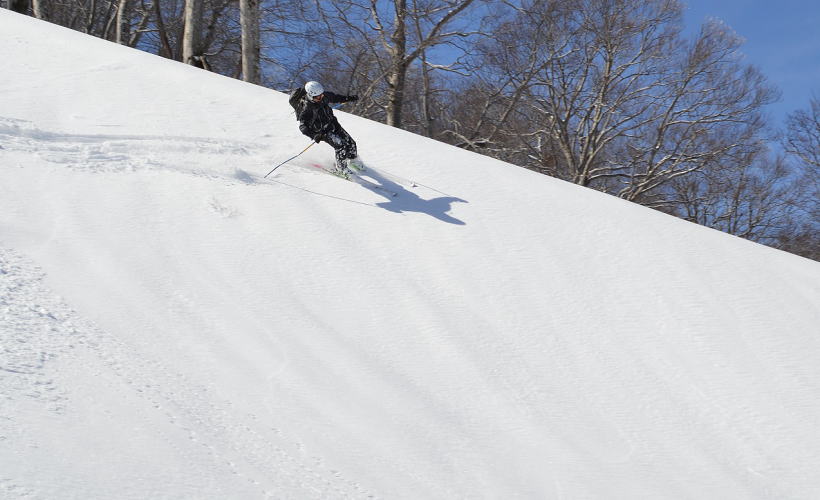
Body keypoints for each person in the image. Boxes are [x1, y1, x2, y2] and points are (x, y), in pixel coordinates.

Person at [289, 81, 361, 178]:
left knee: (351, 143)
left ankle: (353, 162)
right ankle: (341, 169)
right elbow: (303, 127)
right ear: (310, 96)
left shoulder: (323, 96)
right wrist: (315, 135)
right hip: (322, 132)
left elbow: (335, 97)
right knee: (341, 146)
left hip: (333, 124)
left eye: (321, 95)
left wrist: (349, 98)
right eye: (318, 97)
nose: (321, 98)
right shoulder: (307, 108)